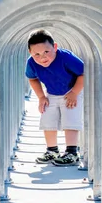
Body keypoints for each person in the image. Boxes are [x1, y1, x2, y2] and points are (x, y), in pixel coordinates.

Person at [25, 28, 84, 166]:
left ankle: (72, 152)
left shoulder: (65, 57)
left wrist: (74, 92)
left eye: (46, 52)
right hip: (51, 93)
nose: (42, 57)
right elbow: (32, 78)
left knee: (70, 119)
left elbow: (84, 73)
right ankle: (52, 150)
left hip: (71, 91)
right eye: (36, 54)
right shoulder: (32, 63)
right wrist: (41, 96)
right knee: (48, 119)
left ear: (55, 47)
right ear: (30, 53)